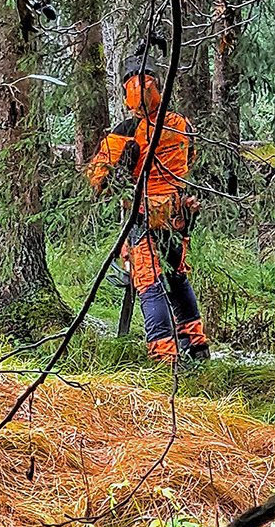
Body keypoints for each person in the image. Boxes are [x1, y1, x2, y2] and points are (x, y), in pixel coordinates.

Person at [85, 49, 210, 366]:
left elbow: (97, 180)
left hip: (142, 219)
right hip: (179, 215)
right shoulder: (182, 124)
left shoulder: (124, 133)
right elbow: (189, 158)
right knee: (178, 278)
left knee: (151, 287)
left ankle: (165, 361)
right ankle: (196, 347)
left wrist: (121, 173)